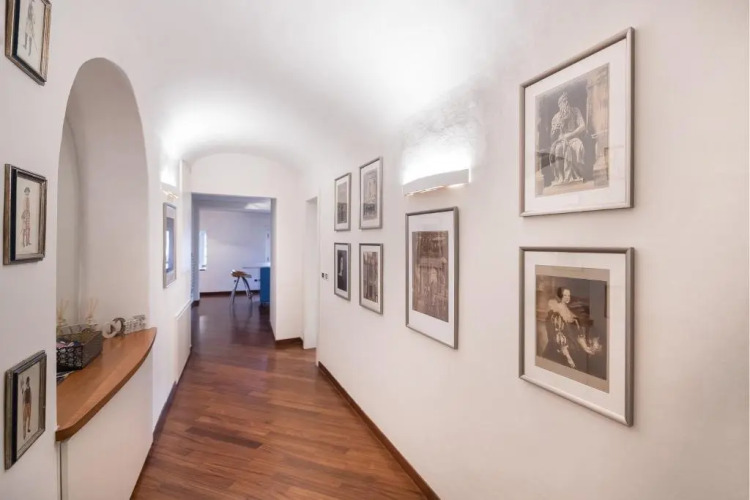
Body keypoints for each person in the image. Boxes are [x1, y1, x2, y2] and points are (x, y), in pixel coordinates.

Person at [543, 287, 600, 370]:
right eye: (565, 295)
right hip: (559, 349)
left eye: (569, 295)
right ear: (560, 296)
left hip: (572, 346)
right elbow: (557, 336)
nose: (567, 297)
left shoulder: (569, 311)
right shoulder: (555, 312)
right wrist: (568, 357)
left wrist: (585, 347)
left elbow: (577, 332)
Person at [549, 92, 586, 186]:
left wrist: (570, 135)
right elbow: (552, 137)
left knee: (578, 146)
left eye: (567, 101)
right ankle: (561, 176)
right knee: (558, 149)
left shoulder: (575, 111)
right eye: (563, 102)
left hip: (573, 138)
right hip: (560, 140)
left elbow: (582, 126)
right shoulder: (556, 117)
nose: (566, 103)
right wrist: (555, 131)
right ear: (559, 105)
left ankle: (574, 175)